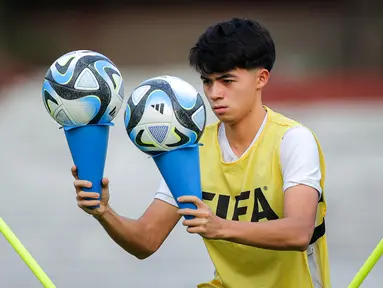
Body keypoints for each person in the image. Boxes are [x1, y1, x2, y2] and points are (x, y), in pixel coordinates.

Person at [73, 17, 330, 288]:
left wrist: (220, 227)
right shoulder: (192, 145)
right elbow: (146, 240)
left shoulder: (293, 140)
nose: (214, 93)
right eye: (207, 81)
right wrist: (103, 211)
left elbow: (298, 232)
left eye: (227, 80)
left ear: (261, 78)